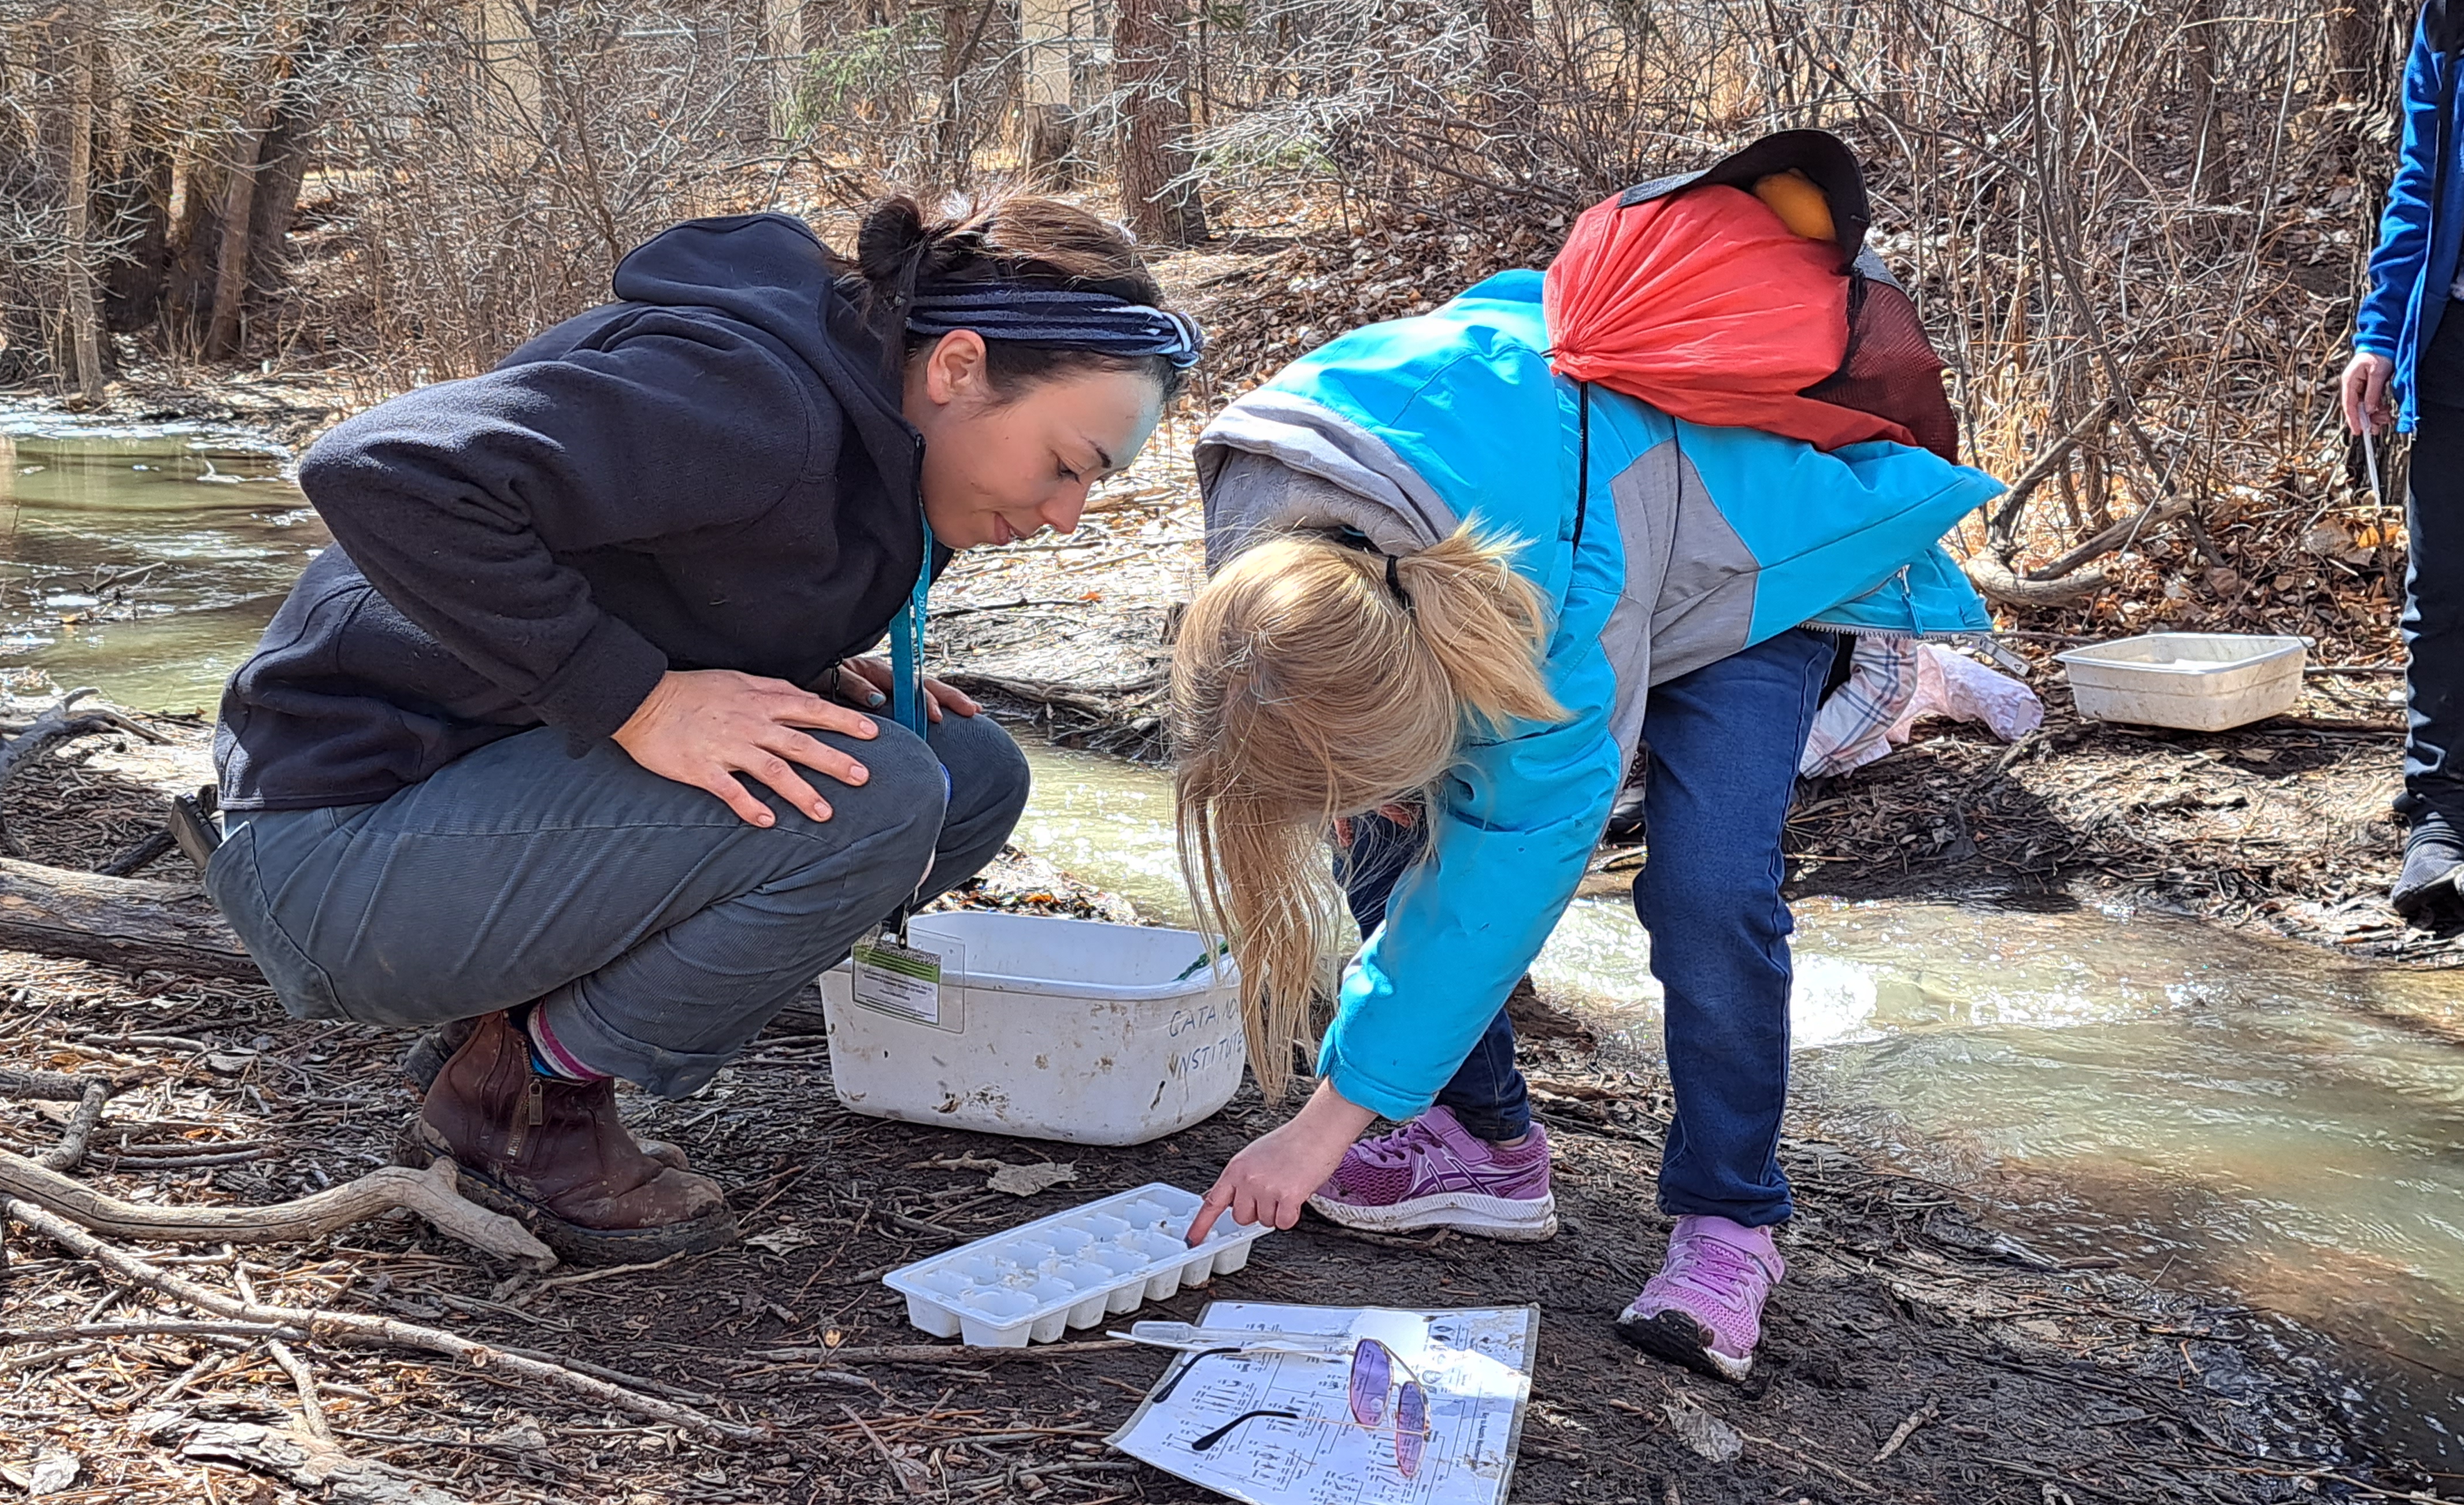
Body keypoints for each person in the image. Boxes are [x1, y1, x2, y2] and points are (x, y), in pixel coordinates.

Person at [204, 196, 1198, 1262]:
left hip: (478, 805)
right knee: (881, 795)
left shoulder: (891, 443)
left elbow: (657, 567)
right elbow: (381, 466)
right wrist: (643, 700)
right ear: (957, 367)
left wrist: (795, 663)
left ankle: (505, 1037)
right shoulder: (758, 400)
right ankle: (523, 1105)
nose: (1067, 515)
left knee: (967, 772)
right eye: (1067, 463)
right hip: (337, 850)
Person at [1170, 264, 2000, 1381]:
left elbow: (1506, 870)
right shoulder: (1259, 519)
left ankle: (1730, 1222)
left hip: (1749, 565)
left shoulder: (1550, 621)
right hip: (1551, 509)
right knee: (1379, 823)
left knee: (1706, 887)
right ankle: (1479, 1143)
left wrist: (1321, 1127)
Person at [2344, 0, 2464, 924]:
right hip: (2454, 333)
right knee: (2446, 589)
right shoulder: (2448, 18)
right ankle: (2442, 819)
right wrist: (2381, 335)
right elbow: (2419, 178)